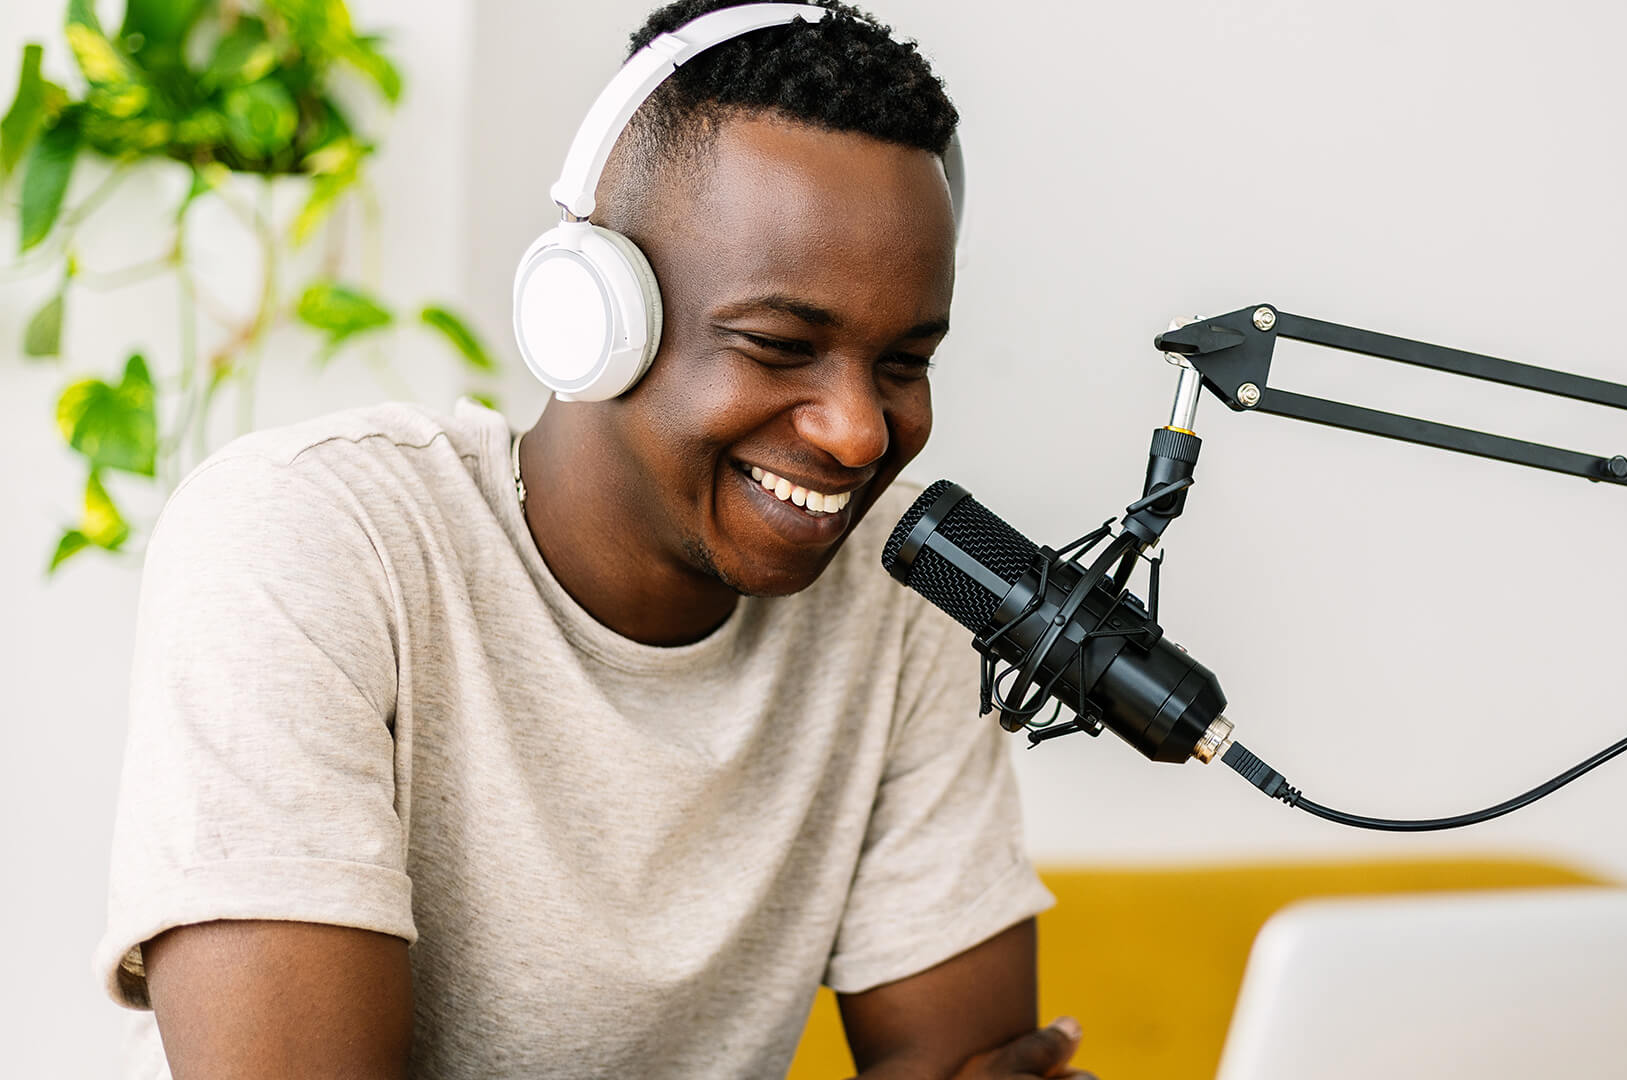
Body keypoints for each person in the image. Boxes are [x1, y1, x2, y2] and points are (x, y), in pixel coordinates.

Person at [94, 2, 1092, 1076]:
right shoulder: (309, 538)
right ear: (593, 320)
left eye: (905, 363)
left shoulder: (908, 571)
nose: (859, 433)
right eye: (779, 345)